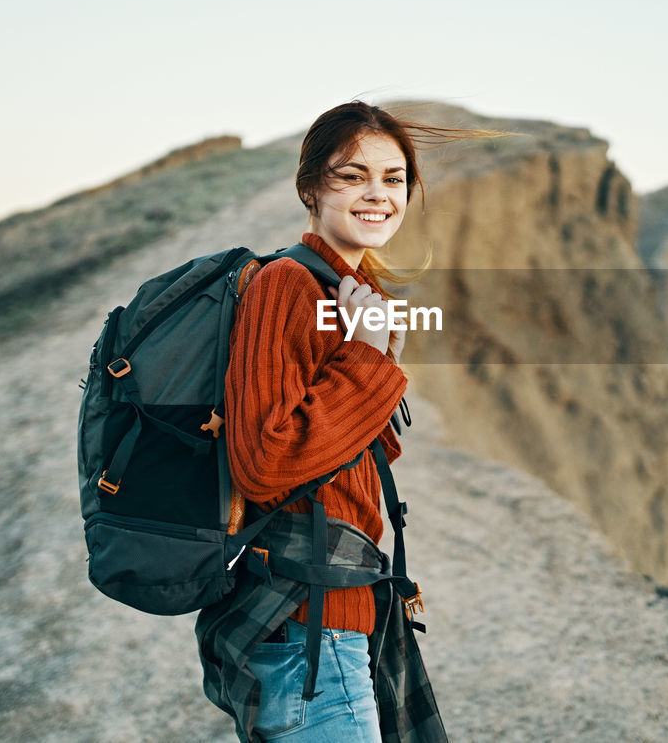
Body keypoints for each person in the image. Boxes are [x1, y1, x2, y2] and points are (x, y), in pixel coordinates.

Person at [196, 100, 500, 743]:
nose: (378, 194)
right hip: (309, 629)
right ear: (310, 187)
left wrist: (378, 363)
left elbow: (339, 470)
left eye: (393, 179)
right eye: (352, 175)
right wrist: (365, 360)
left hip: (335, 614)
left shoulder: (348, 295)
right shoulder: (287, 286)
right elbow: (266, 463)